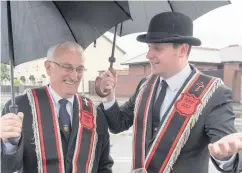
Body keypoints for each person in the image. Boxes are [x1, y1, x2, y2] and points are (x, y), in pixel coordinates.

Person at [98, 12, 242, 173]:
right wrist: (109, 95)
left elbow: (229, 151)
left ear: (182, 50)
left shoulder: (213, 93)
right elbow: (119, 124)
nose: (148, 55)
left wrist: (226, 156)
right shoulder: (145, 85)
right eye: (149, 47)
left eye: (157, 48)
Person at [0, 42, 113, 173]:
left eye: (80, 69)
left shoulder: (95, 114)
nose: (74, 76)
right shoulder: (20, 107)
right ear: (48, 67)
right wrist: (8, 144)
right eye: (67, 67)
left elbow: (104, 166)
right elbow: (7, 168)